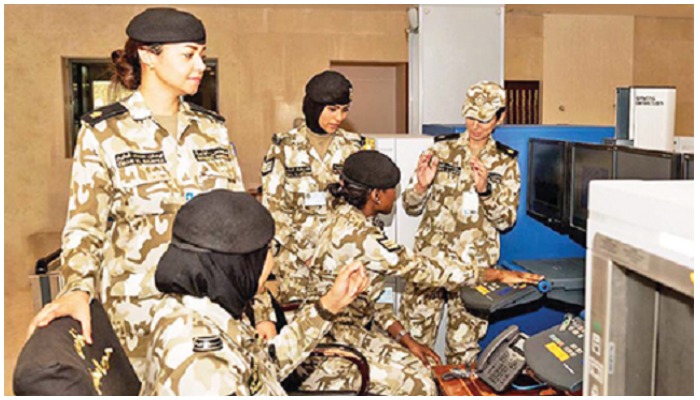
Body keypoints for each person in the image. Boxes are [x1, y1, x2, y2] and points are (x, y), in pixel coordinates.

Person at [27, 7, 244, 381]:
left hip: (211, 307)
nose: (200, 65)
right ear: (148, 56)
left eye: (203, 55)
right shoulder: (103, 133)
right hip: (137, 315)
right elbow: (84, 227)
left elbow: (239, 222)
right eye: (189, 54)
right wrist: (76, 289)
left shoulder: (213, 132)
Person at [297, 151, 541, 395]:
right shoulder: (359, 236)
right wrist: (496, 275)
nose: (397, 194)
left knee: (428, 368)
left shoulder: (349, 218)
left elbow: (369, 300)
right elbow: (423, 269)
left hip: (348, 333)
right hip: (329, 350)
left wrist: (407, 340)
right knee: (421, 386)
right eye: (393, 188)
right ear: (376, 195)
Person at [140, 190, 370, 395]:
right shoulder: (202, 366)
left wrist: (330, 305)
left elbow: (266, 366)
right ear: (238, 265)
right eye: (268, 250)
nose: (272, 260)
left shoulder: (204, 309)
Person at [399, 81, 524, 365]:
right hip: (430, 262)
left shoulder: (505, 163)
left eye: (484, 119)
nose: (476, 125)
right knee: (414, 346)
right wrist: (420, 186)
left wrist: (485, 191)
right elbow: (409, 205)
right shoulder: (441, 150)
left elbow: (506, 221)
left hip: (474, 268)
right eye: (470, 117)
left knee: (464, 351)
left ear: (500, 118)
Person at [260, 70, 366, 308]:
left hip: (341, 262)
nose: (339, 117)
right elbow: (274, 208)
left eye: (344, 109)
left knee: (343, 335)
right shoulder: (284, 147)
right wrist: (305, 252)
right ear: (314, 107)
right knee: (301, 334)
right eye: (332, 109)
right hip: (297, 265)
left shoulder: (354, 147)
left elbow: (361, 207)